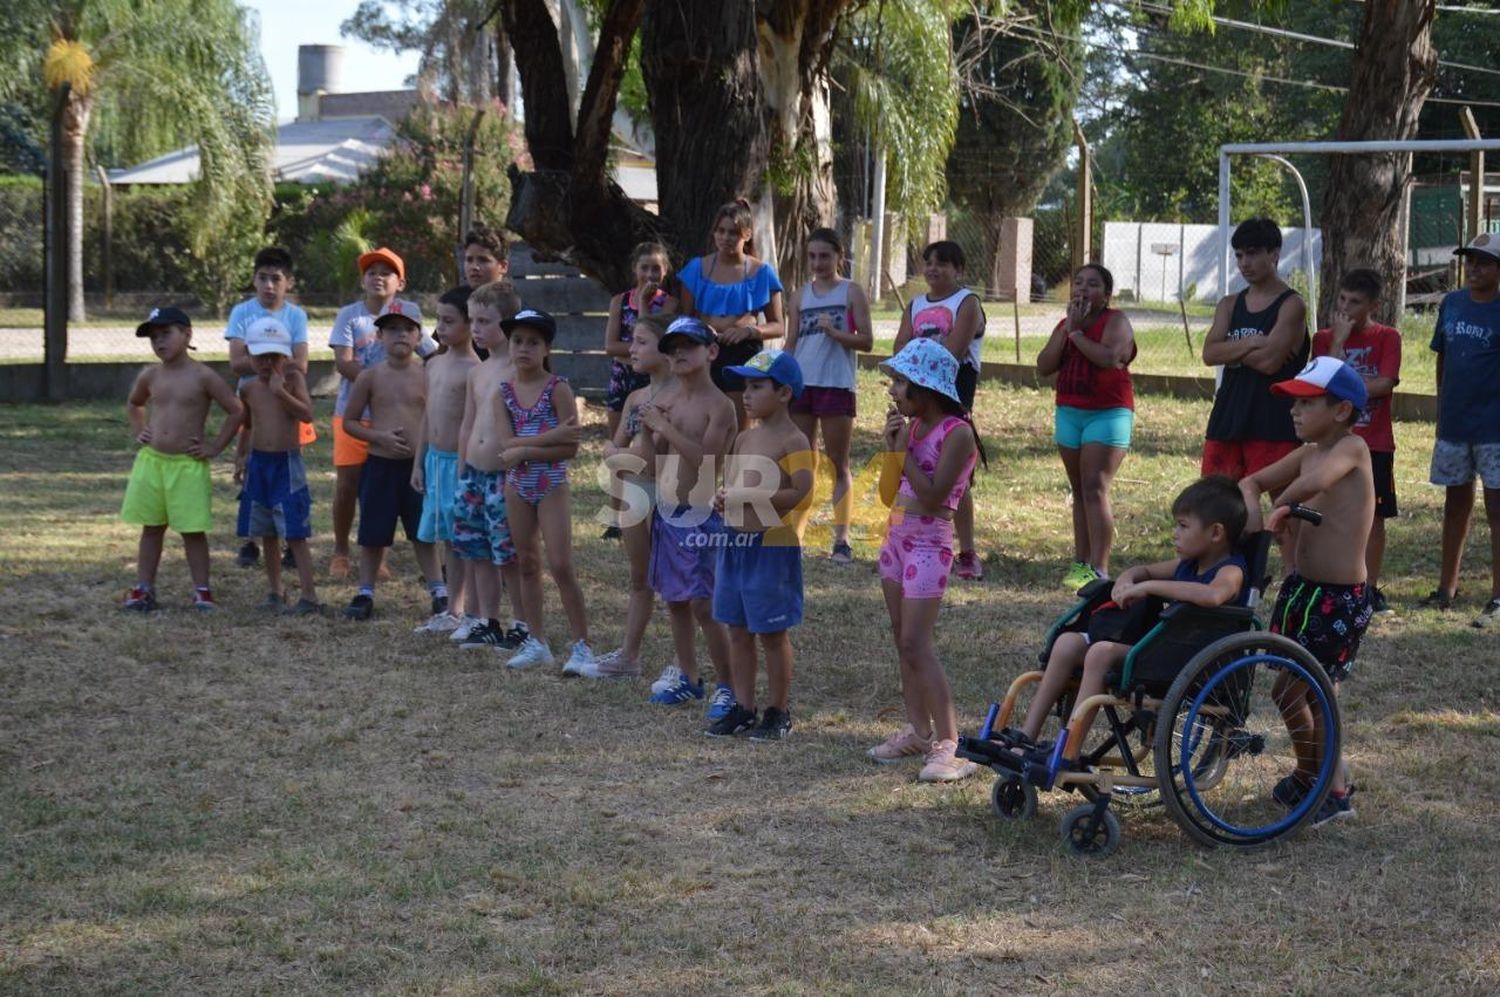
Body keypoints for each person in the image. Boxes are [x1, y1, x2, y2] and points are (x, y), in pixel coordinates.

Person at [1017, 477, 1248, 753]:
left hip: (1192, 661)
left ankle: (1069, 749)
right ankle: (1025, 736)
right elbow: (1143, 570)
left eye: (1183, 526)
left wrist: (1148, 587)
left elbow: (1213, 595)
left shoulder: (1231, 571)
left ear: (1215, 533)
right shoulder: (1187, 565)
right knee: (1067, 642)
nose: (1175, 533)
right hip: (1164, 651)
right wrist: (1127, 580)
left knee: (1101, 653)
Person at [1241, 356, 1375, 826]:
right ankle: (1309, 774)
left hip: (1339, 598)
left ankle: (1333, 790)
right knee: (1288, 692)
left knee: (1315, 692)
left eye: (1307, 403)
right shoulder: (1307, 451)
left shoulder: (1351, 448)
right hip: (1303, 591)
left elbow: (1317, 483)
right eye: (1294, 403)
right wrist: (1256, 516)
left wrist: (1281, 506)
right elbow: (1251, 480)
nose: (1295, 412)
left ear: (1341, 410)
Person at [867, 338, 983, 782]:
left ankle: (949, 744)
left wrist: (902, 452)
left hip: (928, 543)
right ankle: (918, 730)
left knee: (918, 642)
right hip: (896, 536)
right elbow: (885, 493)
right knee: (903, 639)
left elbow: (936, 498)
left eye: (900, 382)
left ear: (926, 386)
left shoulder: (957, 433)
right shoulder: (911, 430)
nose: (893, 390)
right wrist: (894, 448)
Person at [707, 349, 814, 740]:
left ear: (784, 393)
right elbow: (735, 484)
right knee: (737, 628)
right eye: (745, 386)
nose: (747, 394)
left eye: (756, 386)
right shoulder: (744, 437)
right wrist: (725, 498)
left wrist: (748, 498)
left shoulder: (794, 439)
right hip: (735, 544)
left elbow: (802, 493)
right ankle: (744, 706)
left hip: (772, 547)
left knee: (771, 632)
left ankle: (778, 710)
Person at [640, 316, 737, 709]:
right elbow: (652, 462)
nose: (678, 353)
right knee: (675, 600)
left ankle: (729, 685)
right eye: (672, 347)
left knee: (704, 605)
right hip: (668, 512)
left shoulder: (721, 406)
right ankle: (689, 675)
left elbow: (704, 462)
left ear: (711, 352)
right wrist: (649, 429)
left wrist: (663, 424)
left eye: (688, 346)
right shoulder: (669, 400)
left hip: (701, 516)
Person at [120, 307, 243, 611]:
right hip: (152, 463)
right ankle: (144, 588)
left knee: (192, 530)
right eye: (153, 338)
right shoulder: (150, 374)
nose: (159, 343)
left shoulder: (203, 376)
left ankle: (202, 590)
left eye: (166, 334)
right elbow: (135, 404)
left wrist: (215, 447)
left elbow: (237, 410)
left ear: (187, 334)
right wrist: (140, 430)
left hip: (187, 466)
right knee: (151, 527)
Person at [327, 247, 436, 579]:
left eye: (386, 272)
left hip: (399, 417)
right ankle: (341, 551)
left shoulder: (410, 313)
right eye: (371, 271)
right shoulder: (350, 315)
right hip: (354, 411)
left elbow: (430, 353)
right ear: (362, 280)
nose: (377, 277)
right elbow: (344, 361)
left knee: (389, 486)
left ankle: (380, 557)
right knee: (348, 485)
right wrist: (380, 382)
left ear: (400, 283)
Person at [494, 308, 593, 672]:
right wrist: (545, 438)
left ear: (546, 348)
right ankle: (537, 641)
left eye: (533, 343)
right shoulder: (502, 393)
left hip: (550, 483)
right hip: (517, 486)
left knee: (561, 564)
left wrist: (524, 449)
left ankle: (582, 644)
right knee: (527, 563)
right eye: (517, 341)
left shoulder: (558, 388)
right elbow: (506, 448)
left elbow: (571, 448)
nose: (523, 348)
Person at [339, 302, 445, 621]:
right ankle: (365, 592)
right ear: (379, 336)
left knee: (423, 532)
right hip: (380, 466)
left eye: (408, 329)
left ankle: (439, 591)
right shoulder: (369, 377)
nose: (401, 335)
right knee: (373, 533)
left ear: (419, 336)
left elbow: (439, 417)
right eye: (393, 329)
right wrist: (380, 437)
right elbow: (350, 421)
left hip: (418, 467)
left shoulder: (429, 375)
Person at [1036, 263, 1136, 590]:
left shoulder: (1116, 321)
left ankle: (1100, 568)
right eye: (1078, 283)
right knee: (1079, 489)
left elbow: (1109, 358)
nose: (1082, 289)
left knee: (1095, 486)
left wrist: (1077, 334)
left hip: (1108, 413)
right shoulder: (1067, 324)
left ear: (1106, 295)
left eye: (1092, 285)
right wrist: (1068, 331)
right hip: (1069, 412)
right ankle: (1081, 563)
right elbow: (1044, 366)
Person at [893, 240, 986, 580]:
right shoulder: (915, 305)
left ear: (958, 269)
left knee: (957, 477)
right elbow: (899, 348)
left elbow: (953, 352)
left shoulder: (968, 303)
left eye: (943, 263)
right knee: (914, 462)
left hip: (952, 395)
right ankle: (911, 536)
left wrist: (920, 354)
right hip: (917, 398)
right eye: (929, 262)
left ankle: (967, 550)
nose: (934, 268)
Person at [1311, 268, 1401, 615]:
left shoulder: (1388, 337)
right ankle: (1327, 579)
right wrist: (1337, 343)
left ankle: (1370, 587)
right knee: (1325, 508)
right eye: (1343, 299)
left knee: (1375, 514)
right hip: (1331, 441)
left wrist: (1344, 384)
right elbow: (1320, 383)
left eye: (1356, 302)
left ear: (1373, 306)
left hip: (1374, 442)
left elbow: (1385, 384)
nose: (1346, 308)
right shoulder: (1323, 339)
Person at [591, 316, 676, 679]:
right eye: (632, 342)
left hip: (673, 495)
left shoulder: (682, 398)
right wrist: (616, 453)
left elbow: (660, 459)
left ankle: (681, 662)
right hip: (634, 492)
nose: (632, 349)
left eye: (642, 342)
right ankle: (630, 655)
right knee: (640, 578)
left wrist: (627, 449)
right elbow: (615, 446)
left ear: (666, 349)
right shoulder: (636, 397)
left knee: (678, 583)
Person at [783, 227, 873, 563]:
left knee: (839, 462)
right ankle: (796, 534)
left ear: (839, 257)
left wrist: (836, 333)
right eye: (812, 256)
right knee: (802, 461)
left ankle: (842, 539)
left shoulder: (852, 292)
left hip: (836, 382)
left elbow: (866, 340)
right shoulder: (799, 296)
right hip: (802, 385)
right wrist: (781, 377)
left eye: (825, 256)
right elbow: (791, 342)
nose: (818, 262)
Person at [1424, 232, 1500, 628]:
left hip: (1495, 427)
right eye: (1470, 261)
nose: (1474, 268)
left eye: (1484, 262)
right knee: (1455, 505)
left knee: (1497, 509)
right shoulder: (1452, 304)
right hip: (1455, 423)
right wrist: (1442, 407)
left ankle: (1498, 595)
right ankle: (1446, 588)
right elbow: (1443, 359)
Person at [452, 280, 530, 650]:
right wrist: (461, 463)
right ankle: (488, 619)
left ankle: (522, 621)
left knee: (508, 552)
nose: (476, 329)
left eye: (485, 321)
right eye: (473, 321)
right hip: (474, 474)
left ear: (508, 322)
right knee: (476, 548)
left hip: (505, 476)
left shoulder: (519, 370)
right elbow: (468, 421)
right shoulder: (476, 372)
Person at [225, 246, 314, 569]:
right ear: (254, 280)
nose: (269, 286)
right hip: (252, 399)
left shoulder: (296, 316)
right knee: (251, 464)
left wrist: (274, 371)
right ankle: (251, 540)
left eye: (276, 279)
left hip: (286, 397)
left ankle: (292, 538)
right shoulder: (242, 312)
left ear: (288, 282)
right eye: (262, 278)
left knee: (289, 467)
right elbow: (236, 362)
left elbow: (301, 363)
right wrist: (269, 363)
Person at [1200, 218, 1309, 480]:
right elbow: (1209, 354)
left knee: (1282, 505)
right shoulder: (1229, 304)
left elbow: (1270, 362)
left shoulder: (1291, 304)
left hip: (1272, 421)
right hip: (1228, 416)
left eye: (1252, 253)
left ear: (1274, 254)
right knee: (1214, 499)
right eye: (1239, 255)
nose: (1244, 263)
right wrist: (1250, 343)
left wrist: (1231, 351)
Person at [232, 317, 321, 614]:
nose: (267, 363)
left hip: (287, 464)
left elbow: (307, 413)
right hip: (259, 464)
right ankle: (275, 590)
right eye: (261, 356)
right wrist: (241, 456)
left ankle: (309, 595)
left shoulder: (293, 381)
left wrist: (281, 391)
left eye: (274, 356)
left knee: (295, 531)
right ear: (250, 356)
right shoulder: (248, 389)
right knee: (266, 529)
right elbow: (248, 423)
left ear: (285, 356)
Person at [676, 198, 785, 430]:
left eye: (733, 232)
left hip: (742, 354)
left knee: (736, 429)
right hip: (704, 352)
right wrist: (701, 331)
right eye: (721, 231)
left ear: (747, 235)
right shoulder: (696, 268)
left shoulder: (761, 272)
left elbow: (778, 326)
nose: (725, 238)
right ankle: (706, 467)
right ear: (714, 233)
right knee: (702, 428)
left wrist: (749, 331)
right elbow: (684, 319)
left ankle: (737, 466)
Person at [410, 285, 481, 634]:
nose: (440, 328)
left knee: (464, 538)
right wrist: (418, 462)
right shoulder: (433, 364)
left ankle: (467, 610)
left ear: (471, 324)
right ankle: (453, 609)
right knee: (447, 537)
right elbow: (427, 415)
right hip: (435, 462)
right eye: (438, 319)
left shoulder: (475, 369)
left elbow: (475, 421)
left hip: (460, 464)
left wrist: (468, 463)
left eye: (449, 321)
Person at [603, 241, 677, 446]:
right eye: (644, 268)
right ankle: (617, 476)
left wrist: (644, 303)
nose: (650, 274)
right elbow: (610, 346)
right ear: (635, 268)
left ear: (665, 271)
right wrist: (640, 349)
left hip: (650, 377)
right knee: (618, 437)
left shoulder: (669, 304)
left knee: (645, 440)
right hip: (621, 376)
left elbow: (655, 344)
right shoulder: (620, 301)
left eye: (656, 268)